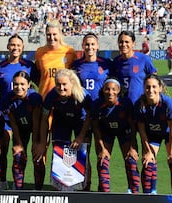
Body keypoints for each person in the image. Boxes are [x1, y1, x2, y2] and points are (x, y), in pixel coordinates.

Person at [33, 19, 77, 190]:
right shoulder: (40, 52)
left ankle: (61, 186)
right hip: (44, 104)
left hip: (62, 106)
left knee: (60, 146)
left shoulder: (70, 52)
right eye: (48, 35)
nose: (51, 37)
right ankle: (38, 187)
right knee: (40, 146)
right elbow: (39, 76)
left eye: (54, 34)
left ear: (60, 34)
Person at [112, 30, 157, 193]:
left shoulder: (143, 59)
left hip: (143, 112)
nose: (123, 45)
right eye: (121, 42)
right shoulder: (115, 62)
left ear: (133, 43)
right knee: (129, 152)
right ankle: (132, 188)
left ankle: (151, 188)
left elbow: (155, 80)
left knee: (149, 150)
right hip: (124, 113)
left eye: (126, 42)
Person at [0, 34, 36, 190]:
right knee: (3, 149)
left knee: (19, 150)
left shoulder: (30, 66)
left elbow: (36, 85)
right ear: (7, 47)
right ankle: (3, 181)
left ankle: (19, 186)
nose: (15, 48)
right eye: (12, 45)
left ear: (23, 48)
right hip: (5, 114)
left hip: (24, 114)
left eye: (18, 45)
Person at [38, 68, 92, 191]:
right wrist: (42, 143)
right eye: (58, 84)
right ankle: (61, 188)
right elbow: (44, 118)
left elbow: (90, 116)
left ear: (71, 83)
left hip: (81, 122)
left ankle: (85, 188)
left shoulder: (82, 95)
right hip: (61, 122)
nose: (61, 88)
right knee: (59, 154)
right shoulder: (52, 95)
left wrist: (80, 137)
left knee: (83, 155)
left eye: (64, 84)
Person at [73, 32, 112, 190]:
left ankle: (103, 188)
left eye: (92, 44)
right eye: (87, 44)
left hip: (102, 115)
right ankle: (85, 187)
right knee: (85, 152)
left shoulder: (106, 64)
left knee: (101, 151)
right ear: (83, 46)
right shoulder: (77, 65)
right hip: (83, 115)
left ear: (97, 46)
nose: (90, 47)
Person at [134, 74, 172, 194]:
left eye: (154, 87)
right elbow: (141, 130)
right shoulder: (140, 105)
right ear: (144, 88)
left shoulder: (167, 103)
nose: (151, 90)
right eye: (147, 87)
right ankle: (149, 195)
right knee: (147, 162)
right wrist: (148, 151)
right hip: (151, 133)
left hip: (170, 132)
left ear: (160, 88)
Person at [92, 78, 139, 193]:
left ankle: (134, 193)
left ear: (118, 90)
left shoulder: (126, 103)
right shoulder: (97, 104)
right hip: (106, 131)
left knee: (131, 161)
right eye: (107, 89)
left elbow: (133, 126)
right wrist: (102, 148)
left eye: (114, 89)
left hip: (125, 131)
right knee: (103, 160)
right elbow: (96, 128)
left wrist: (133, 147)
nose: (110, 92)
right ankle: (104, 193)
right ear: (103, 90)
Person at [0, 71, 42, 190]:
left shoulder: (34, 98)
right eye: (16, 84)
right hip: (20, 128)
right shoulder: (8, 98)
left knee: (37, 157)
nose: (19, 87)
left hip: (37, 128)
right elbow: (13, 122)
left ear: (29, 85)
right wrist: (18, 143)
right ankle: (18, 188)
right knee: (18, 155)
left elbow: (36, 123)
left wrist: (35, 143)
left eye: (22, 84)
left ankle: (38, 189)